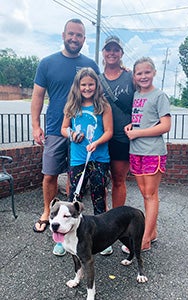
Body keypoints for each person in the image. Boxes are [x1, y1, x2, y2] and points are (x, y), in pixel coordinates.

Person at [31, 19, 99, 255]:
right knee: (49, 174)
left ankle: (69, 220)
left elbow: (100, 91)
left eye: (79, 35)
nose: (74, 38)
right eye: (71, 34)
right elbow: (38, 96)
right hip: (54, 130)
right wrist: (36, 126)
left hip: (81, 132)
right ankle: (48, 214)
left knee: (74, 176)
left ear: (84, 39)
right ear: (63, 35)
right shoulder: (47, 63)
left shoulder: (89, 64)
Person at [61, 67, 113, 255]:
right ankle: (65, 236)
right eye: (83, 84)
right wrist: (72, 134)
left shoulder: (103, 106)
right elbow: (63, 128)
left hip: (99, 158)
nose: (87, 88)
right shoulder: (72, 106)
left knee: (98, 196)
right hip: (77, 159)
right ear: (78, 86)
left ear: (96, 85)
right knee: (74, 197)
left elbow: (109, 131)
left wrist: (97, 143)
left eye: (91, 84)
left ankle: (102, 238)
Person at [123, 57, 171, 252]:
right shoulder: (135, 95)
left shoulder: (160, 96)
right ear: (134, 76)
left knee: (150, 195)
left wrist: (138, 133)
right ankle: (152, 232)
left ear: (154, 73)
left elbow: (165, 125)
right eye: (139, 73)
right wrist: (132, 126)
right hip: (136, 150)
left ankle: (144, 240)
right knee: (145, 194)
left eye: (147, 72)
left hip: (152, 152)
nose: (143, 76)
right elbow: (143, 120)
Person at [100, 36, 135, 208]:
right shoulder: (97, 79)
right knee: (99, 179)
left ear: (121, 53)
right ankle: (102, 216)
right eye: (108, 49)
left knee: (118, 180)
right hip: (101, 136)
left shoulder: (130, 77)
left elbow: (142, 101)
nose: (112, 53)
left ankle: (117, 219)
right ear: (103, 52)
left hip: (122, 137)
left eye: (116, 49)